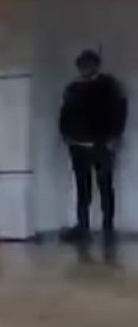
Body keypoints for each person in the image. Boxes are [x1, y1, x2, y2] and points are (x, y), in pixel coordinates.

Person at [59, 49, 128, 244]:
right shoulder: (73, 88)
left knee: (105, 186)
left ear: (95, 65)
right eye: (81, 66)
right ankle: (83, 226)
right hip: (78, 144)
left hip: (102, 143)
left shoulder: (109, 86)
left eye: (87, 65)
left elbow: (119, 111)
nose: (83, 69)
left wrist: (115, 136)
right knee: (84, 188)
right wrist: (66, 135)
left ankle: (108, 227)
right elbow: (65, 114)